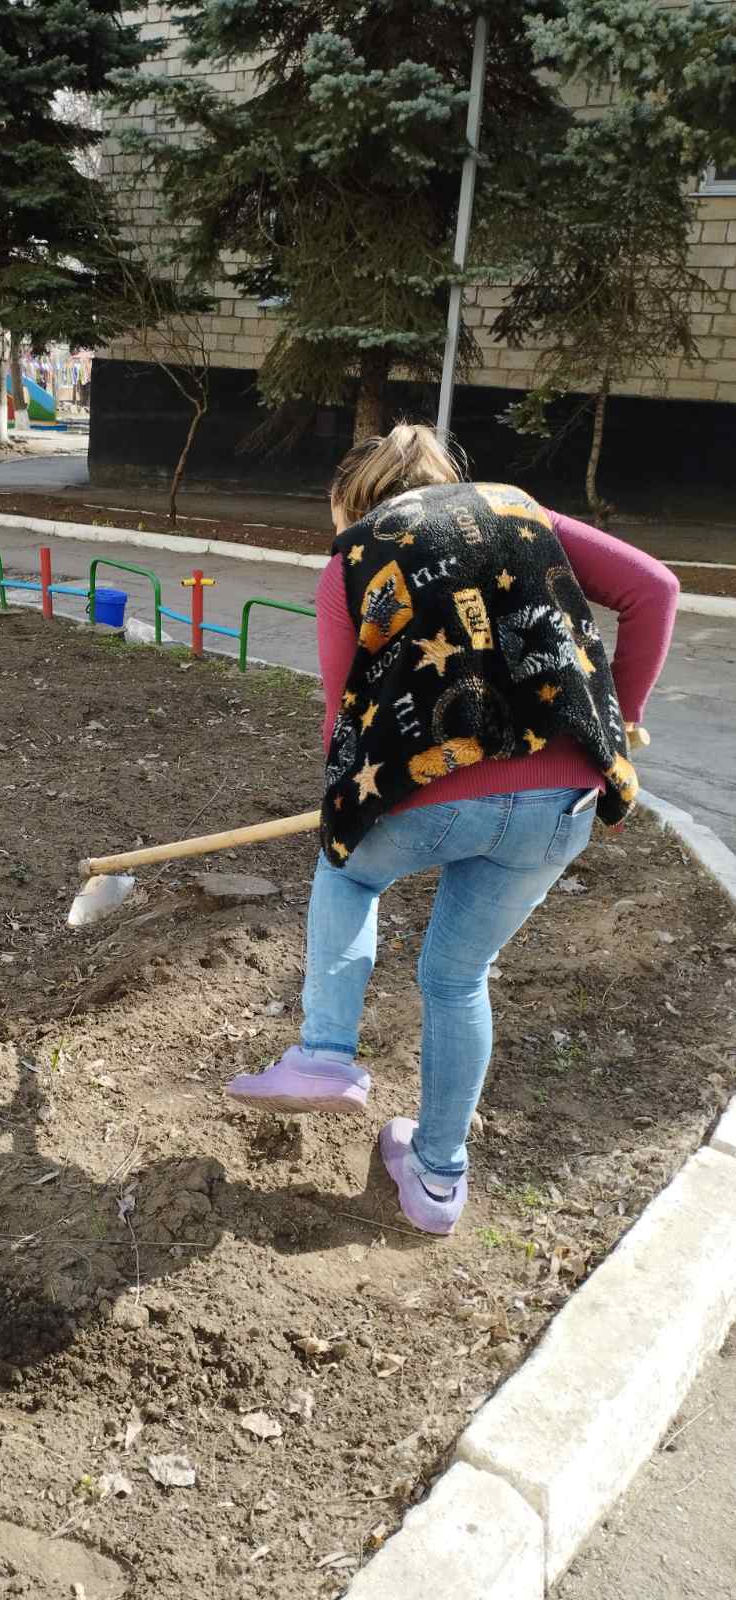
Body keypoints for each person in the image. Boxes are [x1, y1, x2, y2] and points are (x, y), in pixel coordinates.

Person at [225, 423, 678, 1234]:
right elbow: (656, 589)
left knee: (347, 874)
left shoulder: (354, 556)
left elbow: (341, 718)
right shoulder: (520, 510)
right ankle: (436, 1182)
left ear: (353, 500)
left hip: (428, 792)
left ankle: (325, 1053)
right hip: (561, 803)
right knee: (457, 978)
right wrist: (624, 714)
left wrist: (345, 810)